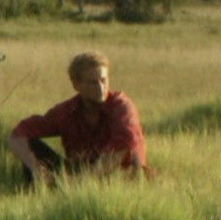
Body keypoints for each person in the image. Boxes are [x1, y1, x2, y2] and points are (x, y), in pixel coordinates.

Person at [9, 51, 147, 186]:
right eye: (93, 82)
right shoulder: (66, 111)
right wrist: (36, 169)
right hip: (77, 174)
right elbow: (17, 134)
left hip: (119, 177)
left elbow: (122, 148)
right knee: (32, 145)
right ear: (76, 85)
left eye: (103, 80)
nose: (100, 87)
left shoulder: (121, 106)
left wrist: (81, 181)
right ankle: (39, 193)